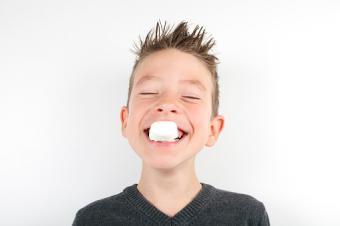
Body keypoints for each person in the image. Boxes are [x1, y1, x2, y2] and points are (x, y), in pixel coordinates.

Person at [72, 20, 270, 226]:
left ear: (213, 130)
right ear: (126, 121)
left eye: (191, 96)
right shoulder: (92, 219)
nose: (167, 104)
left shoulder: (247, 215)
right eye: (148, 92)